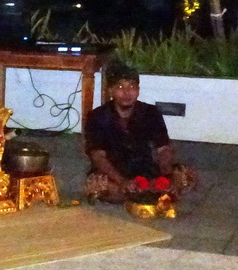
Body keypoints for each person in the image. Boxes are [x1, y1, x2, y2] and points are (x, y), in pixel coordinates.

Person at [84, 62, 197, 203]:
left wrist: (166, 175)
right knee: (99, 184)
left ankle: (149, 192)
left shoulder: (151, 112)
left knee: (185, 174)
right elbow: (98, 157)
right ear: (110, 91)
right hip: (116, 172)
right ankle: (144, 194)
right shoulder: (97, 116)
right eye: (120, 87)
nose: (127, 93)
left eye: (132, 87)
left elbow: (163, 149)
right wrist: (122, 181)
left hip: (146, 170)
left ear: (138, 90)